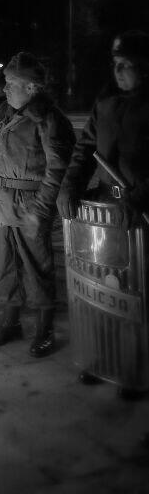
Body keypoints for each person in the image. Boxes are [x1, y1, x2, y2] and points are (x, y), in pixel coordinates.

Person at [56, 30, 149, 391]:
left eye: (127, 64)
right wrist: (70, 186)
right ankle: (105, 357)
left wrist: (140, 197)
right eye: (115, 64)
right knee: (105, 286)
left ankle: (135, 368)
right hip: (107, 212)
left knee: (139, 295)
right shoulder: (106, 102)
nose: (119, 71)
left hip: (139, 213)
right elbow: (86, 147)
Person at [0, 52, 75, 357]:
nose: (5, 89)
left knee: (37, 269)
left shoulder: (49, 120)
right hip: (0, 201)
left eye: (11, 83)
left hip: (29, 205)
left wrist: (41, 210)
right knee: (5, 266)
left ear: (31, 87)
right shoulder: (6, 115)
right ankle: (11, 322)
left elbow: (58, 169)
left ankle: (45, 328)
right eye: (6, 82)